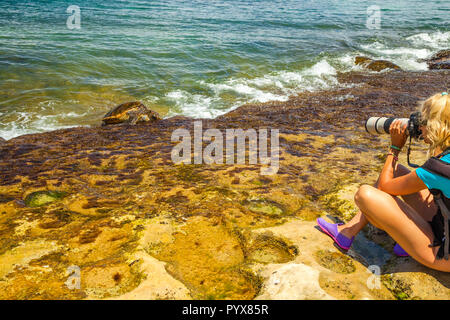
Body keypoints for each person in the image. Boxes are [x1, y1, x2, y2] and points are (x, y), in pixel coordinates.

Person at [317, 92, 450, 272]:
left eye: (423, 123)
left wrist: (394, 148)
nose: (420, 129)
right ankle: (353, 231)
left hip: (443, 256)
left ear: (435, 127)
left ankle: (348, 233)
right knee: (399, 173)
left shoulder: (439, 167)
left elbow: (383, 188)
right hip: (444, 229)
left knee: (366, 194)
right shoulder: (443, 163)